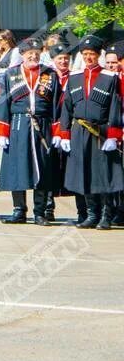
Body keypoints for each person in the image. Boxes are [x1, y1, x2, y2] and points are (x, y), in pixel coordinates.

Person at [0, 38, 62, 225]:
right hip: (18, 124)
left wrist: (58, 131)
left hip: (43, 124)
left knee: (43, 167)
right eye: (29, 53)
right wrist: (1, 131)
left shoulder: (50, 74)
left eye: (37, 53)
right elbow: (2, 104)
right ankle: (19, 210)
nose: (33, 56)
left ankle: (40, 212)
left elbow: (57, 104)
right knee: (18, 168)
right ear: (22, 54)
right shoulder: (10, 74)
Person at [58, 35, 123, 230]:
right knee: (83, 173)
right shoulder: (74, 77)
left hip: (100, 131)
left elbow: (114, 106)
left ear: (98, 55)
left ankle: (105, 215)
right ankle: (91, 214)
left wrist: (113, 134)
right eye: (85, 54)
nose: (88, 57)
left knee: (103, 174)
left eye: (92, 54)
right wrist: (64, 133)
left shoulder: (109, 77)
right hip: (79, 131)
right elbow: (67, 107)